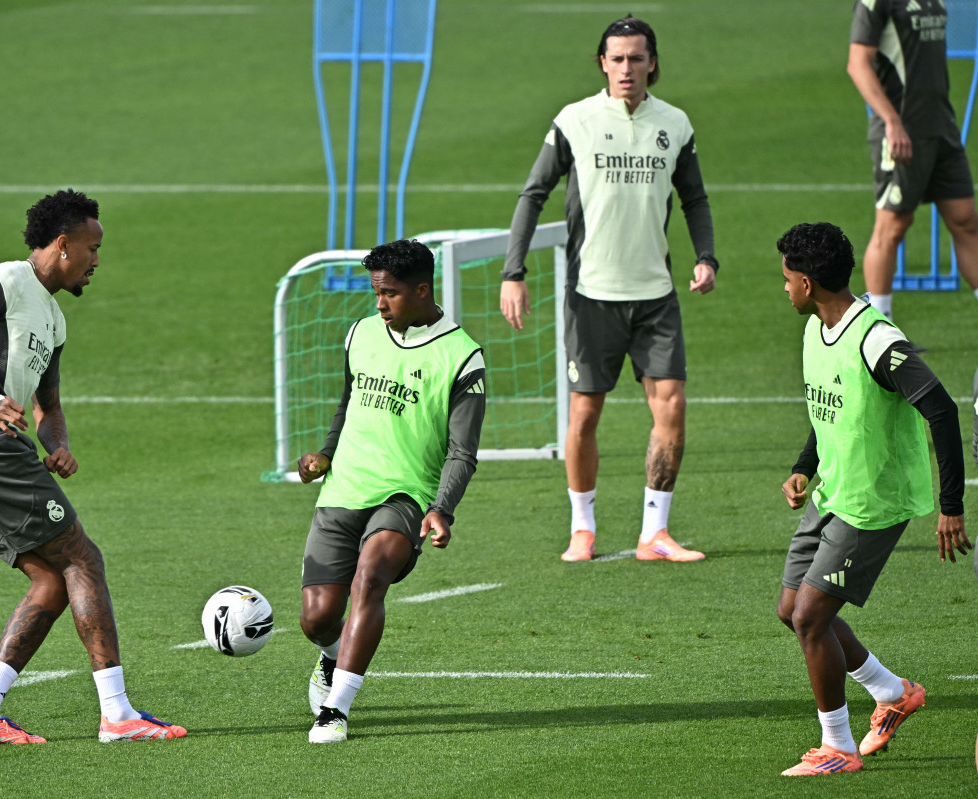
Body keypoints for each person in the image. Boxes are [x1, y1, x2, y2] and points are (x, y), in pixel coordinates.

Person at [0, 189, 185, 745]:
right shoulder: (4, 281)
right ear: (62, 245)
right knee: (83, 558)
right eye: (92, 248)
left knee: (52, 580)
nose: (98, 261)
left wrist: (58, 443)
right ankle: (119, 715)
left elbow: (47, 408)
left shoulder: (53, 319)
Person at [500, 16, 717, 563]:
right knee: (585, 415)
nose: (627, 68)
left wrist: (706, 256)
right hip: (591, 293)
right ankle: (582, 528)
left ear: (652, 63)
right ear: (602, 63)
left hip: (656, 293)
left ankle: (655, 533)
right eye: (616, 58)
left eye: (636, 58)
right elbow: (533, 194)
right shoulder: (575, 121)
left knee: (672, 406)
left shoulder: (675, 123)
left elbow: (694, 198)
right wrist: (513, 272)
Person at [773, 222, 969, 776]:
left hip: (874, 502)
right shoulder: (816, 327)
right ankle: (893, 691)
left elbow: (942, 409)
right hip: (833, 492)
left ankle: (837, 747)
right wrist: (804, 467)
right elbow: (828, 404)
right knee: (791, 612)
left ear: (808, 283)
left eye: (787, 279)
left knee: (811, 618)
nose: (783, 288)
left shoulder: (876, 339)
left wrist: (950, 505)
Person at [297, 239, 486, 743]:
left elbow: (462, 451)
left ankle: (336, 709)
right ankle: (333, 655)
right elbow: (348, 404)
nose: (379, 304)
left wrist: (442, 508)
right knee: (316, 619)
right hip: (344, 487)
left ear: (422, 290)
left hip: (405, 495)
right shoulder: (360, 333)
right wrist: (324, 454)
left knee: (373, 571)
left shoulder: (463, 356)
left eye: (390, 294)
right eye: (376, 292)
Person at [847, 0, 978, 321]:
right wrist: (892, 122)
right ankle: (879, 332)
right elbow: (858, 63)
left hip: (940, 127)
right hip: (901, 129)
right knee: (892, 227)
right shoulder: (874, 2)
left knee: (966, 220)